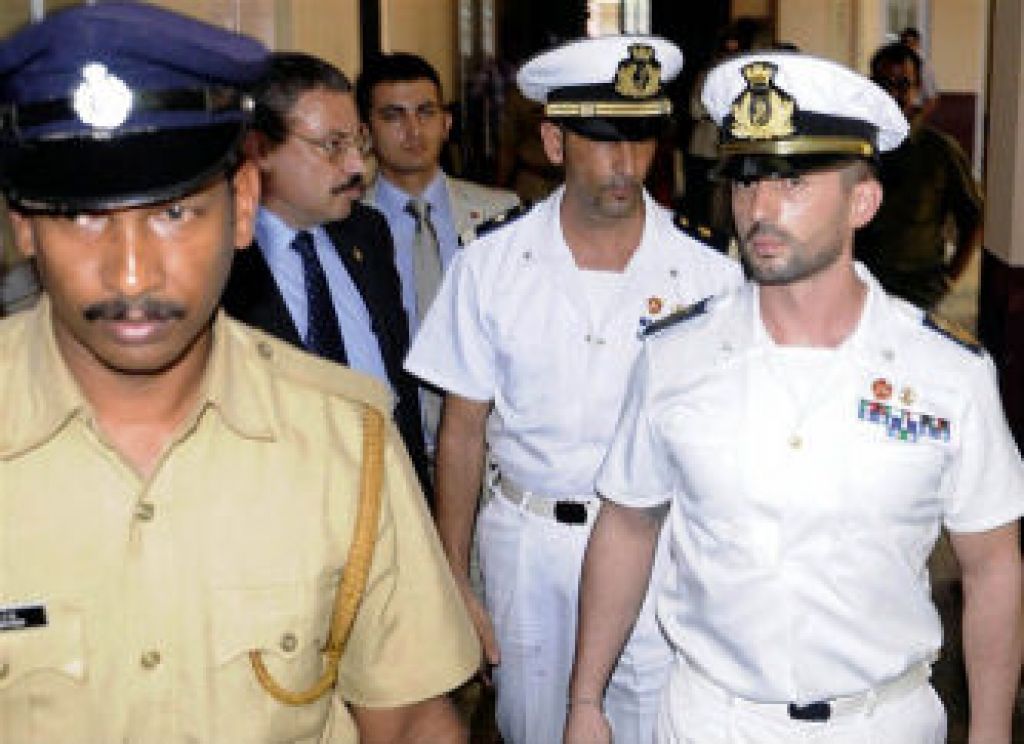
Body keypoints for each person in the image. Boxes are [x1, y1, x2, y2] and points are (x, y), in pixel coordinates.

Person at [0, 4, 479, 742]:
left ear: (245, 206)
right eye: (84, 217)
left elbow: (412, 721)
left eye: (175, 214)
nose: (132, 273)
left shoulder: (344, 442)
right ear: (24, 225)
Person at [566, 51, 1024, 744]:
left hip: (879, 722)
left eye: (793, 183)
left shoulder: (948, 375)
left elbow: (990, 566)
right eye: (747, 180)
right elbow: (627, 525)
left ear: (862, 202)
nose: (760, 209)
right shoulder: (675, 358)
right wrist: (585, 699)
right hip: (712, 720)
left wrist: (990, 732)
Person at [406, 35, 742, 744]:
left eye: (641, 139)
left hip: (656, 549)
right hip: (528, 547)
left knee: (652, 726)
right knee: (532, 727)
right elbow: (462, 431)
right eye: (604, 141)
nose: (628, 164)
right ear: (555, 142)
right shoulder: (491, 264)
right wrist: (454, 580)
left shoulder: (707, 273)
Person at [220, 51, 433, 499]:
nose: (356, 166)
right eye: (332, 146)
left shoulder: (368, 233)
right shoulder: (221, 263)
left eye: (358, 143)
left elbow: (400, 387)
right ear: (260, 150)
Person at [357, 52, 519, 456]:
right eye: (393, 116)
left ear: (447, 123)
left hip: (489, 445)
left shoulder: (501, 215)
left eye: (426, 112)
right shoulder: (347, 227)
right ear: (365, 132)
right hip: (390, 444)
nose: (413, 130)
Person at [856, 42, 982, 311]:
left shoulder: (941, 151)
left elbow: (973, 218)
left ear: (917, 89)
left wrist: (948, 280)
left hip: (918, 293)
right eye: (883, 84)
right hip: (860, 289)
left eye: (903, 84)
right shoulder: (854, 149)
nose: (892, 94)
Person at [899, 26, 939, 124]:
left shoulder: (924, 67)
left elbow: (932, 99)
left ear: (918, 44)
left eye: (912, 43)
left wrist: (918, 120)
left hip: (915, 112)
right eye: (905, 43)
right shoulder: (897, 65)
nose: (909, 47)